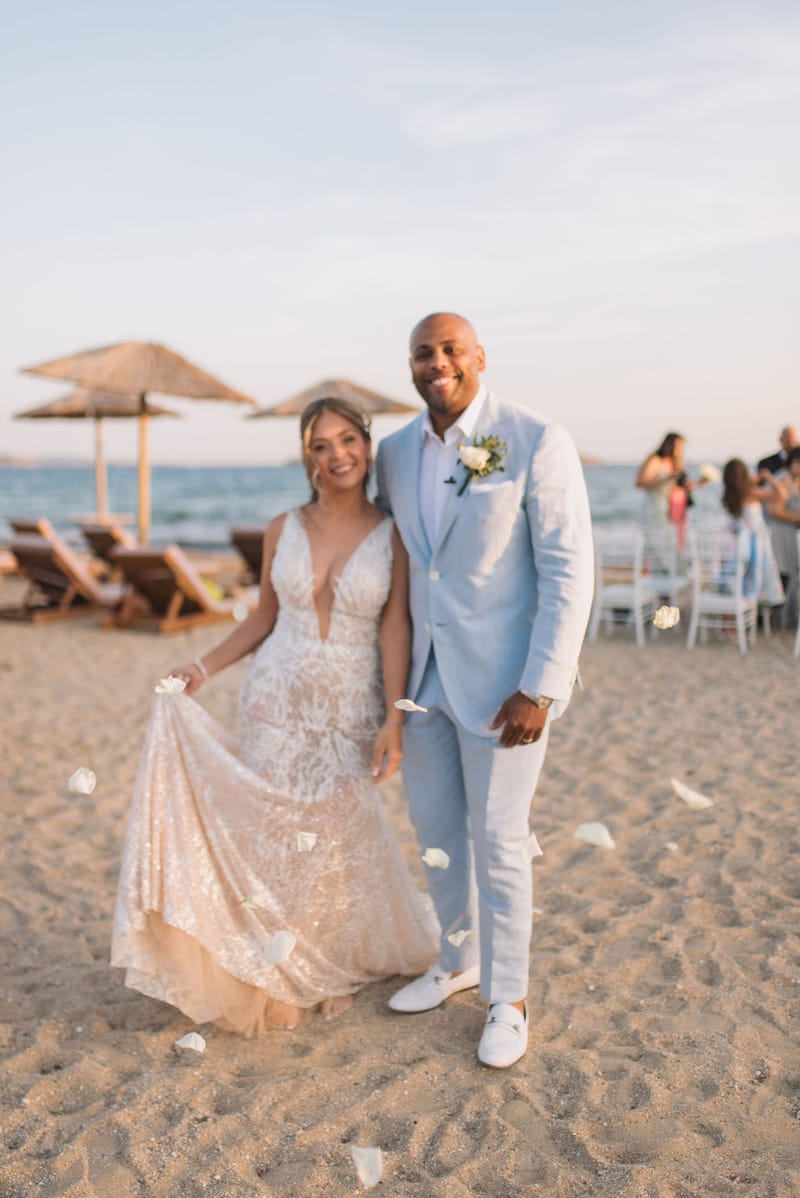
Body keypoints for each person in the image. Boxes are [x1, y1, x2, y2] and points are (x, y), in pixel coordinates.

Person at [111, 397, 437, 1036]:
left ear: (366, 448)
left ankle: (326, 967)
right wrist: (201, 669)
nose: (337, 454)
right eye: (321, 444)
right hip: (273, 700)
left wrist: (395, 718)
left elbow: (394, 627)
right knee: (272, 838)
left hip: (348, 705)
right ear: (306, 457)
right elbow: (263, 617)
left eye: (347, 440)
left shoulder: (394, 533)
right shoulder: (281, 526)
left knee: (333, 839)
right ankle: (277, 968)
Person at [375, 312, 594, 1068]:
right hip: (425, 680)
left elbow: (570, 571)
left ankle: (510, 999)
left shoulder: (536, 439)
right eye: (422, 354)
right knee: (437, 838)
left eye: (449, 350)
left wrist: (541, 685)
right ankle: (457, 961)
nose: (436, 363)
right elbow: (407, 566)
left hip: (507, 685)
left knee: (500, 841)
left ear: (478, 357)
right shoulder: (395, 451)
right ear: (410, 367)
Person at [720, 458, 784, 606]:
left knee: (739, 572)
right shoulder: (751, 492)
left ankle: (731, 614)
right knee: (756, 571)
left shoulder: (730, 494)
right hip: (754, 540)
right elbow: (780, 495)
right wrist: (768, 477)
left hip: (736, 542)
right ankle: (750, 603)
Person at [764, 446, 800, 626]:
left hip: (790, 533)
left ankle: (786, 616)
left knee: (791, 572)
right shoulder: (783, 479)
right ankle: (776, 617)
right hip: (779, 531)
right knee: (782, 572)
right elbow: (774, 511)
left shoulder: (795, 480)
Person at [635, 432, 688, 526]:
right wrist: (667, 478)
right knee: (657, 535)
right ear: (668, 444)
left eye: (680, 448)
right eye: (676, 447)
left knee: (671, 537)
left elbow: (680, 487)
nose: (678, 451)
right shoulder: (655, 460)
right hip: (655, 505)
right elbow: (640, 483)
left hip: (673, 507)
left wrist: (698, 483)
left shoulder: (676, 462)